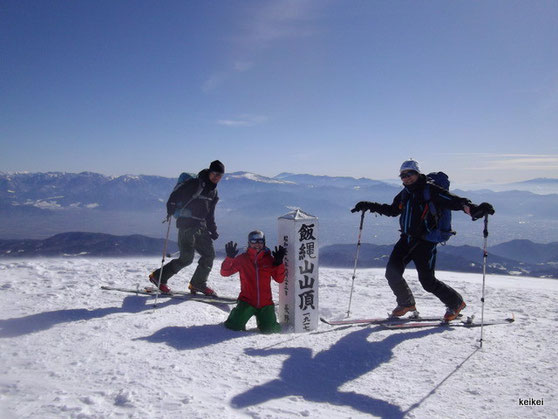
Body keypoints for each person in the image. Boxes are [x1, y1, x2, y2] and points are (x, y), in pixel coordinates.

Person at [351, 159, 494, 321]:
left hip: (426, 241)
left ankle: (456, 303)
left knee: (427, 281)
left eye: (409, 173)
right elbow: (392, 210)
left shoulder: (430, 190)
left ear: (417, 173)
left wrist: (474, 209)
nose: (406, 178)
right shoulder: (405, 193)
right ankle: (406, 303)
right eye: (403, 175)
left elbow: (454, 201)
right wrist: (369, 205)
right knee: (392, 272)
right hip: (406, 239)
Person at [149, 160, 224, 295]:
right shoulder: (195, 184)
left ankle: (197, 284)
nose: (216, 177)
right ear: (209, 172)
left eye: (220, 175)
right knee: (186, 258)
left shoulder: (213, 192)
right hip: (187, 225)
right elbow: (175, 196)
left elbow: (210, 213)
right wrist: (170, 207)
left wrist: (213, 229)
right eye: (215, 174)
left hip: (201, 226)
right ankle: (158, 277)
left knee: (209, 255)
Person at [221, 230, 286, 334]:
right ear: (249, 243)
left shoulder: (269, 259)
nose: (257, 244)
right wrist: (230, 258)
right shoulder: (242, 259)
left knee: (271, 330)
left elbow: (280, 279)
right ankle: (237, 315)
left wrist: (279, 263)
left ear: (264, 243)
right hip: (247, 301)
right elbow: (225, 272)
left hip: (265, 303)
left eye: (260, 241)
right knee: (233, 326)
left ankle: (263, 320)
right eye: (253, 241)